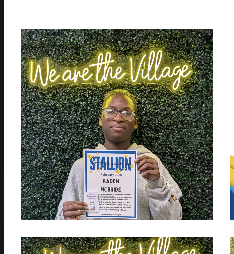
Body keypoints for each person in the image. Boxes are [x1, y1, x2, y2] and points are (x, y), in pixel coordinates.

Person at [56, 89, 184, 220]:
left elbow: (173, 220)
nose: (118, 118)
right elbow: (62, 223)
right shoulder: (82, 167)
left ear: (135, 123)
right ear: (101, 120)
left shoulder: (150, 165)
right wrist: (65, 217)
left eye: (126, 113)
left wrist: (157, 184)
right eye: (110, 111)